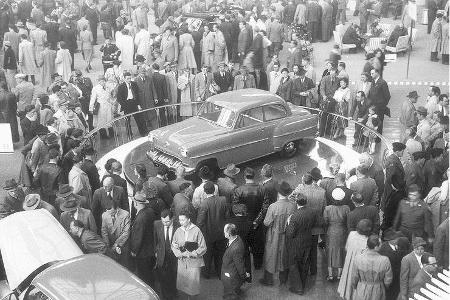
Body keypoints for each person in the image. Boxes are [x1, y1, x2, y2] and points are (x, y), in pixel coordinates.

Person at [291, 169, 326, 276]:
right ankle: (314, 270)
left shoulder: (300, 190)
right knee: (313, 250)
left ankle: (303, 271)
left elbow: (290, 199)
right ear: (313, 181)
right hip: (316, 226)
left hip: (303, 225)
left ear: (303, 182)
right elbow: (324, 208)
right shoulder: (322, 191)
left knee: (304, 249)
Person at [260, 181, 295, 286]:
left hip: (274, 234)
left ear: (278, 193)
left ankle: (268, 280)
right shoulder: (293, 206)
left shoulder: (273, 206)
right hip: (288, 235)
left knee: (271, 255)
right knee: (285, 255)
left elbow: (267, 222)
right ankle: (283, 280)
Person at [286, 193, 320, 295]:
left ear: (296, 202)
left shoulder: (294, 216)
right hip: (308, 241)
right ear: (306, 201)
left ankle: (298, 288)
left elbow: (290, 234)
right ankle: (303, 284)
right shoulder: (313, 212)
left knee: (294, 265)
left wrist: (288, 223)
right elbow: (317, 223)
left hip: (296, 244)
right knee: (305, 264)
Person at [233, 167, 265, 270]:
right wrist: (257, 221)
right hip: (257, 224)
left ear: (244, 177)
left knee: (244, 247)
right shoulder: (262, 189)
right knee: (258, 247)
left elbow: (235, 207)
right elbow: (265, 207)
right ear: (254, 176)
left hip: (243, 223)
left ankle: (246, 269)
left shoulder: (238, 190)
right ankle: (258, 265)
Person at [196, 181, 230, 278]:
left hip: (208, 235)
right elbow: (227, 217)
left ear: (205, 191)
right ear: (214, 190)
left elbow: (200, 222)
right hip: (221, 234)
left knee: (207, 255)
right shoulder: (223, 200)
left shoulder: (204, 204)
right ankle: (219, 273)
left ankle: (206, 274)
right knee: (220, 255)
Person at [172, 208, 207, 298]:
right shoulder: (178, 231)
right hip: (182, 262)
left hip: (194, 262)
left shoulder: (197, 230)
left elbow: (203, 247)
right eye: (179, 220)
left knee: (193, 286)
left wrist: (192, 253)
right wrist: (179, 254)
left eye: (183, 220)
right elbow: (173, 245)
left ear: (189, 219)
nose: (181, 222)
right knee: (183, 285)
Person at [338, 219, 372, 300]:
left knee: (348, 279)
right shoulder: (368, 240)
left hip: (350, 262)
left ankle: (347, 295)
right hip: (361, 266)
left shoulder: (351, 234)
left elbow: (346, 248)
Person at [351, 235, 393, 300]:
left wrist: (355, 286)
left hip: (362, 289)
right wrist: (383, 287)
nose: (381, 246)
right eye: (380, 244)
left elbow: (354, 277)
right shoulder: (385, 260)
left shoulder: (358, 258)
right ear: (376, 247)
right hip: (378, 290)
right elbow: (388, 280)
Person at [323, 188, 350, 281]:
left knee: (330, 252)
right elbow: (348, 222)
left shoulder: (328, 208)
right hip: (342, 232)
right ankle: (339, 275)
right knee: (341, 252)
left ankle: (330, 275)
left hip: (331, 231)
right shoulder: (346, 208)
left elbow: (325, 222)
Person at [130, 192, 156, 286]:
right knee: (150, 274)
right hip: (151, 249)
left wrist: (134, 250)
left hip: (142, 253)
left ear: (136, 203)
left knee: (144, 276)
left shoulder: (140, 218)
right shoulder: (150, 211)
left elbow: (138, 237)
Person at [154, 209, 179, 300]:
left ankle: (174, 294)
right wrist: (156, 251)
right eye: (163, 221)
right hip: (162, 256)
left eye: (167, 221)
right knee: (163, 278)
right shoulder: (157, 224)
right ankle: (165, 296)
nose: (165, 223)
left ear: (172, 219)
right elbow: (155, 240)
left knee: (173, 276)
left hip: (174, 256)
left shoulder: (178, 225)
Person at [221, 223, 249, 299]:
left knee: (230, 293)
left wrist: (244, 275)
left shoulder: (236, 248)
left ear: (229, 234)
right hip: (231, 273)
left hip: (231, 276)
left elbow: (239, 264)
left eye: (224, 231)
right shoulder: (237, 238)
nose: (223, 233)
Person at [101, 198, 130, 267]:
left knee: (124, 266)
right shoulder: (104, 214)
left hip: (122, 244)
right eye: (107, 211)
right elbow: (104, 231)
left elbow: (126, 233)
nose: (109, 214)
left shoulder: (125, 214)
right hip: (110, 245)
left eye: (111, 212)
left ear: (117, 208)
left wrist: (116, 245)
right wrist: (107, 245)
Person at [378, 229, 407, 300]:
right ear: (389, 240)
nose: (397, 240)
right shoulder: (384, 250)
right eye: (395, 239)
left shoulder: (401, 243)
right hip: (390, 277)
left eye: (397, 238)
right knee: (390, 295)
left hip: (399, 276)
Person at [117, 71, 147, 137]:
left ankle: (142, 132)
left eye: (130, 78)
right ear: (124, 79)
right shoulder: (121, 87)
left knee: (139, 119)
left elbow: (137, 95)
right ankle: (129, 134)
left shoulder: (134, 84)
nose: (129, 80)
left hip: (134, 103)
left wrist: (138, 104)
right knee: (127, 121)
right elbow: (119, 98)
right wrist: (124, 106)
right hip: (126, 104)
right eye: (127, 78)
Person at [382, 142, 406, 209]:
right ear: (397, 151)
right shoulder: (393, 161)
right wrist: (393, 187)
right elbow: (390, 176)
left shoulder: (394, 158)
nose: (403, 153)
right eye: (402, 151)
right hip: (394, 187)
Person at [368, 68, 390, 135]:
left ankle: (378, 139)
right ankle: (373, 137)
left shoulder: (382, 83)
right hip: (373, 107)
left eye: (372, 73)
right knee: (373, 122)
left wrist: (382, 105)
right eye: (371, 73)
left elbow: (387, 96)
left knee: (379, 124)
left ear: (377, 73)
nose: (371, 75)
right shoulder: (373, 81)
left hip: (380, 108)